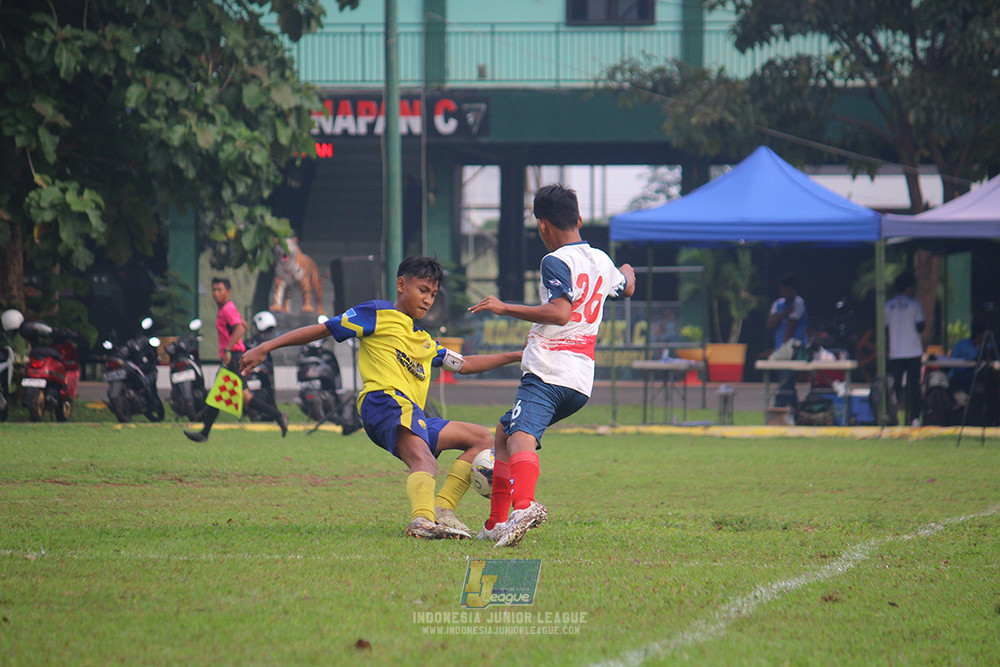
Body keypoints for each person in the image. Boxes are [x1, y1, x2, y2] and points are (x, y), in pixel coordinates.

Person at [240, 256, 522, 540]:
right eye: (423, 290)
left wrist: (515, 357)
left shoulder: (424, 340)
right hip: (384, 402)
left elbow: (464, 364)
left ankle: (442, 511)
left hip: (411, 413)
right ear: (401, 285)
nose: (428, 300)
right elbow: (323, 329)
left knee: (480, 438)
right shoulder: (377, 313)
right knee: (424, 461)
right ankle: (422, 520)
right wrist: (266, 346)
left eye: (433, 294)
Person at [468, 184, 636, 547]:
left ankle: (524, 507)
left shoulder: (555, 260)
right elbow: (627, 287)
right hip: (580, 382)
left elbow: (560, 313)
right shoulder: (602, 262)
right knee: (502, 432)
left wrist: (504, 307)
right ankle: (495, 522)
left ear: (541, 225)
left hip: (548, 372)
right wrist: (625, 267)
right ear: (578, 219)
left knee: (520, 436)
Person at [184, 277, 289, 443]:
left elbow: (239, 328)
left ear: (228, 292)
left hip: (233, 357)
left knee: (218, 394)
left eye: (219, 290)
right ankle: (278, 415)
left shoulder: (227, 309)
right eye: (214, 290)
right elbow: (243, 324)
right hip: (234, 356)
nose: (215, 293)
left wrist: (227, 349)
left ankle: (204, 433)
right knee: (239, 397)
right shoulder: (228, 308)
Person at [885, 272, 925, 425]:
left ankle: (892, 417)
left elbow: (883, 327)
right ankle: (914, 418)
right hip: (913, 351)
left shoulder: (888, 306)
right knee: (914, 386)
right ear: (909, 288)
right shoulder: (914, 304)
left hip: (896, 352)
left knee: (895, 387)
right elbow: (921, 326)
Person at [766, 276, 808, 409]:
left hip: (794, 349)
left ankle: (780, 408)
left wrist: (784, 351)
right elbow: (770, 324)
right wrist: (784, 313)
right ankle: (795, 411)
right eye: (782, 289)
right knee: (787, 383)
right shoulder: (778, 304)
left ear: (794, 289)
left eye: (787, 289)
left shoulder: (798, 304)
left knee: (786, 382)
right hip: (780, 349)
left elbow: (790, 328)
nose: (784, 292)